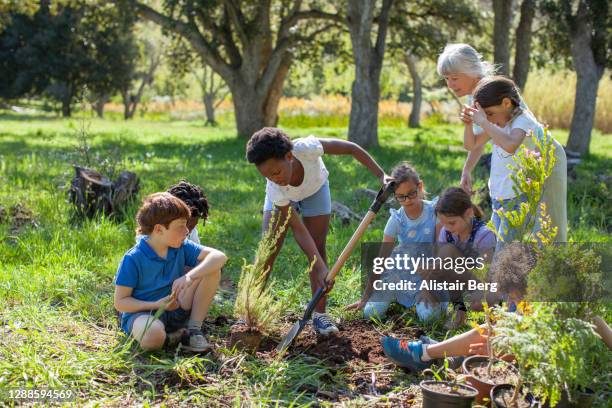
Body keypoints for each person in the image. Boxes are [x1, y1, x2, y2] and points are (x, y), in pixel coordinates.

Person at [245, 127, 389, 335]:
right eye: (267, 176)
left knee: (318, 247)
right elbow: (298, 229)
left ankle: (320, 316)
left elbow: (351, 149)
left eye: (276, 172)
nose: (274, 178)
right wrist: (321, 267)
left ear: (289, 156)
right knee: (268, 249)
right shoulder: (275, 187)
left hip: (315, 189)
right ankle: (250, 313)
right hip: (284, 199)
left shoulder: (306, 148)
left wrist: (381, 175)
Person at [114, 192, 227, 352]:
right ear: (159, 229)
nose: (187, 231)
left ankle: (192, 331)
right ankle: (171, 338)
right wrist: (155, 305)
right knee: (152, 335)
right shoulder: (133, 258)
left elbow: (219, 256)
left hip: (177, 308)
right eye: (181, 226)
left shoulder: (181, 246)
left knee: (211, 269)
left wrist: (189, 276)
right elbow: (120, 302)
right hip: (145, 314)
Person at [464, 76, 567, 242]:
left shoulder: (523, 120)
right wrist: (469, 124)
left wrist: (484, 122)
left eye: (490, 113)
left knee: (512, 248)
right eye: (485, 115)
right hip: (501, 197)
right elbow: (471, 145)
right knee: (501, 248)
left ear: (506, 103)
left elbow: (511, 145)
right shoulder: (498, 122)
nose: (488, 119)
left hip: (520, 194)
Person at [345, 162, 447, 322]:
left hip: (431, 275)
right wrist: (366, 296)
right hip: (404, 275)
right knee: (370, 313)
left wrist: (428, 288)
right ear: (395, 196)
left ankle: (433, 303)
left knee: (429, 318)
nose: (407, 200)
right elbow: (381, 260)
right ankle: (394, 294)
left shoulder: (434, 213)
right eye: (401, 196)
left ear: (420, 187)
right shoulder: (397, 220)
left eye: (412, 193)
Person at [434, 187, 497, 329]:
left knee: (477, 303)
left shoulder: (484, 235)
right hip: (464, 279)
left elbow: (488, 273)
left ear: (468, 213)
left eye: (451, 223)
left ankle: (494, 315)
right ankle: (459, 309)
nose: (447, 228)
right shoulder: (447, 233)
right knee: (445, 253)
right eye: (443, 223)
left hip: (488, 281)